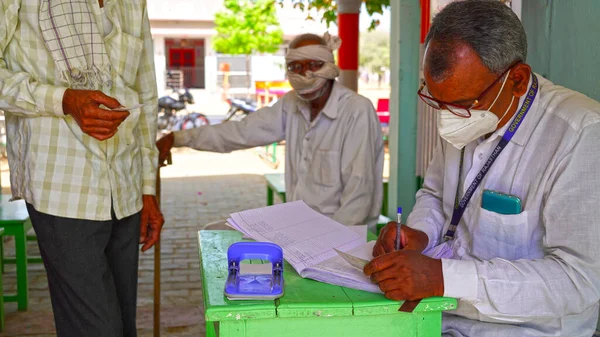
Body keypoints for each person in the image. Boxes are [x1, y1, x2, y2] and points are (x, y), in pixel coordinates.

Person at [365, 1, 600, 336]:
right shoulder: (464, 111)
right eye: (435, 100)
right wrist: (420, 233)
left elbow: (580, 280)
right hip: (440, 316)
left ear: (517, 80)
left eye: (461, 105)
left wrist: (444, 278)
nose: (446, 117)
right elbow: (434, 193)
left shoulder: (581, 136)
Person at [0, 1, 164, 336]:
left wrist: (148, 190)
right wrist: (63, 100)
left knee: (122, 326)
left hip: (126, 189)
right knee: (97, 329)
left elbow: (146, 96)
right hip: (60, 190)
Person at [157, 33, 384, 228]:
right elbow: (241, 132)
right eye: (295, 67)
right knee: (215, 231)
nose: (303, 74)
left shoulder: (356, 111)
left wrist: (330, 249)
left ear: (327, 66)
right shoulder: (291, 104)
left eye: (311, 65)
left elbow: (358, 198)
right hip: (299, 226)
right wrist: (178, 138)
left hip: (342, 235)